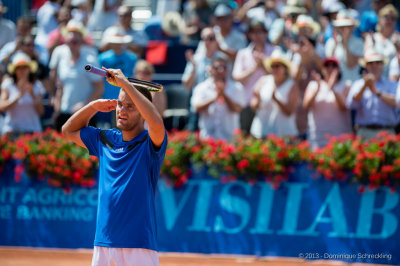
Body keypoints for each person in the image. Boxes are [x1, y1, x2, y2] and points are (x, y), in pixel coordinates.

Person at [61, 67, 167, 266]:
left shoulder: (149, 143)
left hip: (139, 245)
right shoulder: (105, 139)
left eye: (130, 106)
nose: (122, 110)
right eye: (119, 104)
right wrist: (93, 106)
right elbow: (68, 130)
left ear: (142, 111)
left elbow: (156, 123)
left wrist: (125, 83)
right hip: (103, 242)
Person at [49, 22, 103, 131]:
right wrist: (57, 107)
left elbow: (99, 87)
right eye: (69, 42)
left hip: (85, 113)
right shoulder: (61, 57)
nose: (72, 45)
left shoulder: (90, 60)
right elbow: (60, 85)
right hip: (64, 112)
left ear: (81, 42)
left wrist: (84, 104)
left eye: (75, 42)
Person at [232, 18, 277, 135]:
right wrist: (255, 68)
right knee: (244, 138)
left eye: (260, 31)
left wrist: (263, 65)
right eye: (254, 32)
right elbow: (236, 77)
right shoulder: (242, 53)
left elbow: (280, 75)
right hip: (247, 103)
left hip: (269, 104)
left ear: (266, 34)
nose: (257, 35)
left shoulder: (275, 51)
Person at [347, 49, 398, 140]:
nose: (375, 66)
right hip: (364, 132)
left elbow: (397, 102)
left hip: (387, 132)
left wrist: (375, 92)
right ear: (366, 66)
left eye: (378, 62)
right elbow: (351, 105)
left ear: (382, 65)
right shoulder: (358, 84)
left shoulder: (392, 85)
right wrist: (364, 87)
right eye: (371, 63)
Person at [191, 56, 246, 141]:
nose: (220, 70)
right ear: (210, 69)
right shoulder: (201, 88)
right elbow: (197, 108)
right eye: (217, 68)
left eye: (223, 68)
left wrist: (224, 95)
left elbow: (237, 109)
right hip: (208, 137)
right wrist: (215, 98)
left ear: (227, 70)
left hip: (230, 139)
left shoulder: (237, 87)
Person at [303, 56, 351, 149]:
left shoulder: (346, 84)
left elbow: (343, 107)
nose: (330, 68)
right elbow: (306, 105)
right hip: (317, 138)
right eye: (327, 66)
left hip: (340, 138)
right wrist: (317, 88)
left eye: (333, 65)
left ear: (338, 69)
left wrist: (332, 89)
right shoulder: (313, 85)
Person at [250, 49, 299, 138]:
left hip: (283, 134)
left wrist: (275, 99)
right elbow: (253, 104)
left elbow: (289, 111)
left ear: (284, 68)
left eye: (278, 66)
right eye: (273, 66)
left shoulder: (292, 85)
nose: (275, 69)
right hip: (261, 132)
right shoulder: (263, 81)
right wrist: (257, 101)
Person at [97, 28, 137, 128]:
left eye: (119, 43)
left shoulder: (132, 58)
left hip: (125, 98)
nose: (117, 45)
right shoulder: (102, 58)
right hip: (107, 98)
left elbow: (134, 77)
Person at [0, 52, 45, 135]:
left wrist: (32, 95)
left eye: (25, 67)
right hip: (12, 130)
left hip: (33, 130)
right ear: (15, 70)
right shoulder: (7, 84)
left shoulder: (37, 85)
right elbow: (2, 107)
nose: (22, 70)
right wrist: (18, 96)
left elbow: (41, 111)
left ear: (29, 69)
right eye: (19, 67)